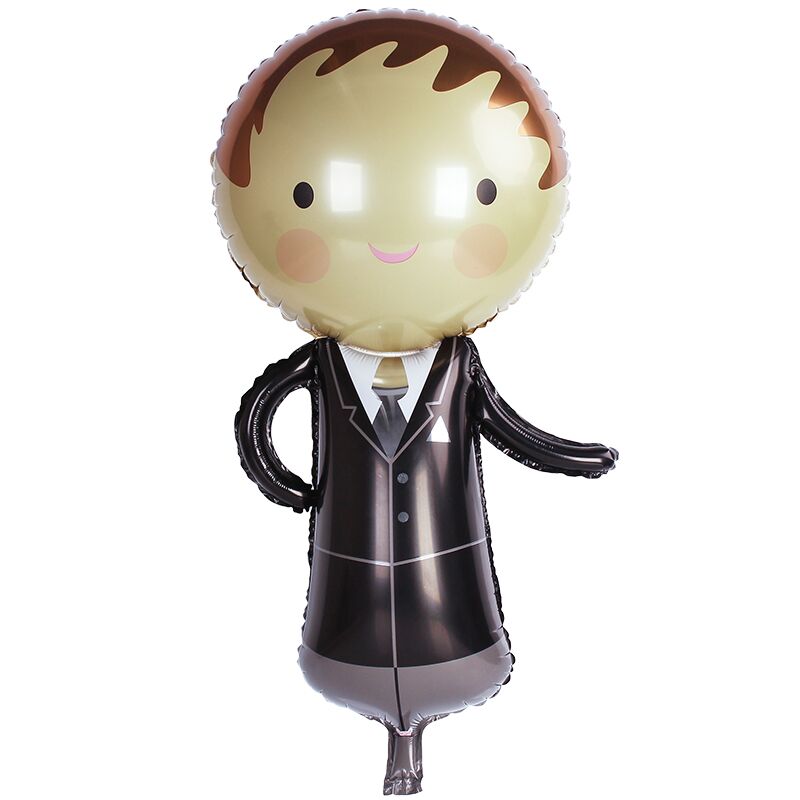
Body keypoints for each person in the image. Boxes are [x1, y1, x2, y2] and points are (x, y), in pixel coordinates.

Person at [212, 10, 618, 795]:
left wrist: (576, 457)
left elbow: (507, 428)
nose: (392, 232)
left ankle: (410, 746)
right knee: (346, 644)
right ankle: (402, 745)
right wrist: (291, 487)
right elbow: (258, 415)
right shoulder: (323, 366)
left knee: (458, 637)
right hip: (348, 601)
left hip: (449, 596)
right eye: (305, 193)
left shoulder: (457, 368)